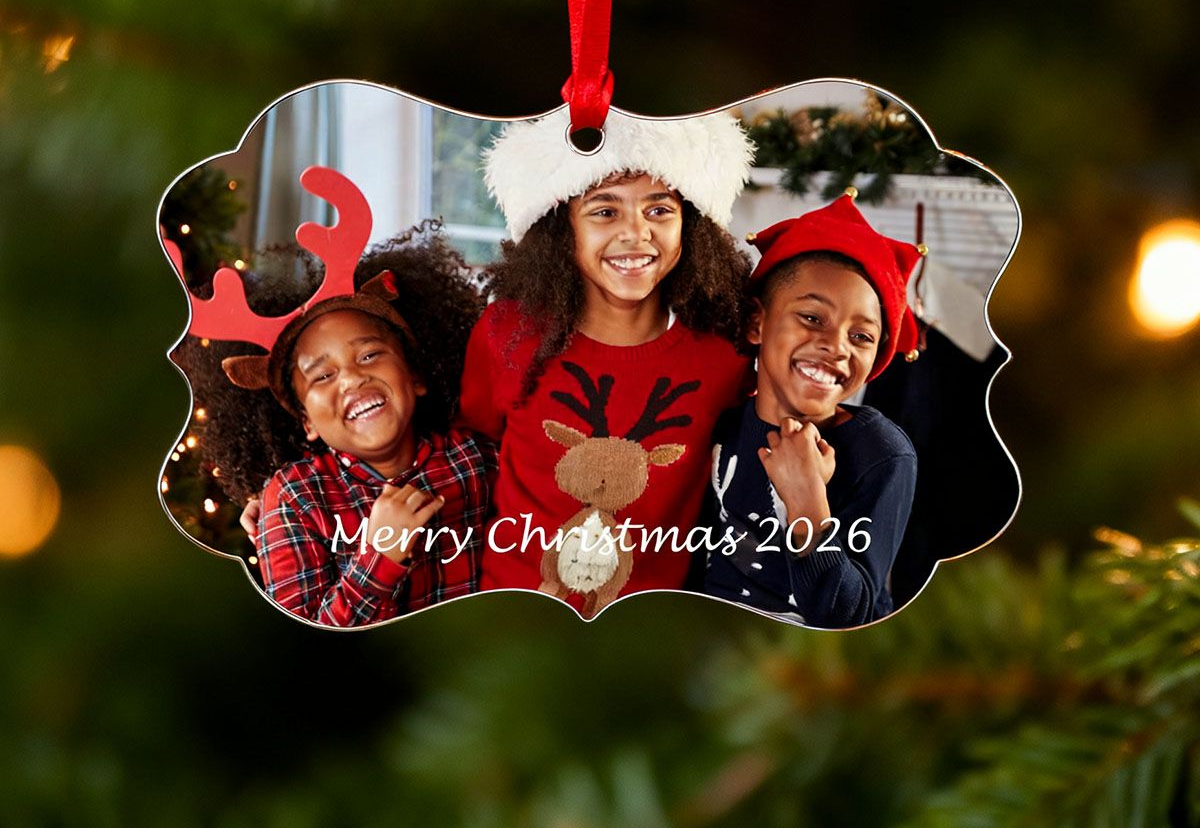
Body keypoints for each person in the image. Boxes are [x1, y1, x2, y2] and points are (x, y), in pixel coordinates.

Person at [458, 105, 756, 618]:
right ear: (562, 229)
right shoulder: (506, 334)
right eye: (605, 210)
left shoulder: (723, 358)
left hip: (648, 632)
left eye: (659, 210)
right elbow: (471, 450)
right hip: (510, 619)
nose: (636, 233)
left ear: (690, 226)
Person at [168, 167, 495, 627]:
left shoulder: (477, 460)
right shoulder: (297, 500)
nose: (351, 381)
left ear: (416, 375)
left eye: (369, 356)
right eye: (321, 377)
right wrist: (380, 557)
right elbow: (307, 651)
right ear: (305, 420)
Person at [703, 193, 921, 627]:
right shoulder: (722, 425)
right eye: (812, 318)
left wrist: (807, 503)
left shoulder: (881, 456)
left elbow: (850, 618)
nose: (836, 347)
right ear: (756, 323)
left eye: (861, 337)